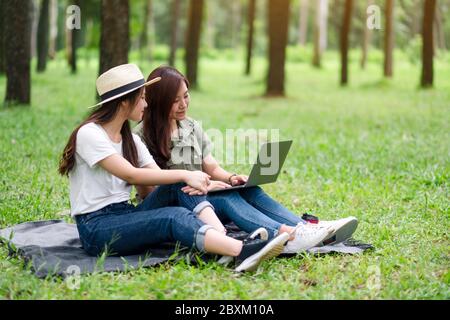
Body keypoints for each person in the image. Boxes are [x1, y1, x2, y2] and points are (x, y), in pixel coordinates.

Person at [58, 63, 291, 273]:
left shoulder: (130, 140)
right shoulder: (90, 134)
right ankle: (241, 250)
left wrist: (200, 182)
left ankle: (221, 239)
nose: (146, 103)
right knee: (173, 216)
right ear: (124, 101)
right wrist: (187, 174)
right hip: (97, 228)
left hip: (126, 214)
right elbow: (130, 174)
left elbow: (161, 180)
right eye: (141, 98)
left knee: (177, 185)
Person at [135, 66, 358, 254]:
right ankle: (285, 235)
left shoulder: (191, 126)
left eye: (186, 95)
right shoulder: (142, 137)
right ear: (159, 102)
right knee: (225, 198)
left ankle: (305, 228)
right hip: (178, 205)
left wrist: (231, 178)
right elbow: (149, 192)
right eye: (175, 100)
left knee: (248, 189)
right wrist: (204, 186)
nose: (183, 104)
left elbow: (210, 166)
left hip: (204, 197)